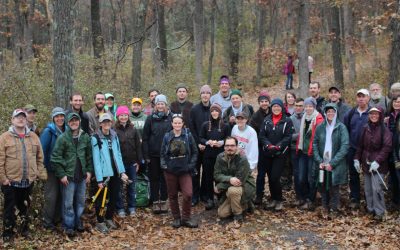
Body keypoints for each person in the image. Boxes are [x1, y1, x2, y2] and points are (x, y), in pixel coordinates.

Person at [0, 109, 47, 242]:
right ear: (12, 120)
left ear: (26, 120)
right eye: (17, 117)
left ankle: (24, 230)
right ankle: (8, 233)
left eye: (23, 117)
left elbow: (40, 157)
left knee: (25, 207)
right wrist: (3, 179)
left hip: (28, 181)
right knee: (10, 209)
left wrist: (36, 173)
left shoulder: (33, 136)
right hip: (11, 181)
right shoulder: (4, 137)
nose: (20, 119)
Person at [51, 113, 93, 236]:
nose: (74, 122)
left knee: (80, 201)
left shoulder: (85, 137)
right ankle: (68, 225)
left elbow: (89, 156)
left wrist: (89, 171)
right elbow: (55, 158)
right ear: (68, 123)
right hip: (68, 177)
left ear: (79, 122)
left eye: (76, 120)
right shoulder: (63, 138)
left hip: (82, 176)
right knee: (67, 203)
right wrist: (62, 174)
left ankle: (77, 222)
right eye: (71, 121)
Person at [91, 113, 129, 233]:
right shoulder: (95, 138)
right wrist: (99, 179)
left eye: (108, 121)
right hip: (104, 174)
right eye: (104, 122)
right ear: (100, 124)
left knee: (114, 197)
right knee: (101, 200)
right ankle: (100, 221)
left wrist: (122, 171)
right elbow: (96, 160)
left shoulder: (114, 136)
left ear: (111, 123)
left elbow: (118, 155)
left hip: (115, 173)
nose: (106, 124)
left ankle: (108, 218)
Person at [160, 114, 198, 228]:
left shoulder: (187, 135)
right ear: (172, 124)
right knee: (172, 195)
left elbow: (195, 152)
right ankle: (176, 218)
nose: (177, 125)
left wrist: (190, 166)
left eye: (179, 123)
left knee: (188, 194)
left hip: (185, 170)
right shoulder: (167, 136)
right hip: (170, 171)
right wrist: (165, 166)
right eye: (175, 123)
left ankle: (186, 218)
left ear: (183, 124)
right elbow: (162, 153)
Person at [354, 107, 392, 221]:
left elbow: (387, 147)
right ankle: (371, 210)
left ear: (380, 115)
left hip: (378, 167)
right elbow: (360, 146)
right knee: (368, 189)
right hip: (366, 164)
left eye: (376, 114)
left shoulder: (384, 130)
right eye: (371, 114)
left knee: (377, 189)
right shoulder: (365, 128)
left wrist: (378, 161)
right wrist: (356, 159)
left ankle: (379, 212)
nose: (373, 116)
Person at [313, 104, 349, 218]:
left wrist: (332, 163)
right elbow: (314, 143)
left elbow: (345, 146)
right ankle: (324, 207)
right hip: (323, 162)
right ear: (325, 113)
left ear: (336, 113)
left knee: (334, 186)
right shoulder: (320, 127)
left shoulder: (341, 127)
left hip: (335, 162)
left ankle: (334, 209)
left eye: (333, 112)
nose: (330, 114)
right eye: (328, 112)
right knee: (323, 185)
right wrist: (319, 160)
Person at [259, 98, 293, 211]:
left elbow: (288, 137)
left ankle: (279, 200)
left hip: (280, 153)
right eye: (274, 106)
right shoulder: (266, 120)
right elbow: (262, 136)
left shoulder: (287, 121)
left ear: (282, 108)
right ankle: (273, 199)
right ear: (271, 108)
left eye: (278, 106)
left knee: (275, 177)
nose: (276, 108)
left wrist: (278, 146)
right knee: (270, 177)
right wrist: (268, 145)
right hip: (267, 153)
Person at [214, 137, 256, 222]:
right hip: (229, 186)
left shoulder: (242, 159)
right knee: (222, 213)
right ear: (224, 147)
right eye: (227, 145)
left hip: (244, 185)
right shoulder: (220, 157)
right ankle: (244, 205)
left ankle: (238, 215)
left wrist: (220, 186)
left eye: (232, 145)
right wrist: (229, 179)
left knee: (232, 190)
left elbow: (239, 181)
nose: (230, 148)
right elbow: (216, 174)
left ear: (237, 146)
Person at [142, 94, 172, 213]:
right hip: (153, 154)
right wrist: (146, 155)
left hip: (166, 154)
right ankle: (155, 201)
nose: (160, 106)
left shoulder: (170, 118)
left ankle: (164, 200)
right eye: (158, 104)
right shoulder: (150, 119)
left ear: (165, 105)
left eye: (162, 104)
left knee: (165, 178)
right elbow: (145, 138)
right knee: (154, 178)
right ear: (155, 105)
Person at [199, 103, 230, 210]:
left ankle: (221, 198)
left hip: (221, 156)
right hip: (208, 156)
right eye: (212, 111)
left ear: (220, 112)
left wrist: (221, 143)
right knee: (208, 177)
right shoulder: (205, 125)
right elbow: (201, 138)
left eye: (216, 111)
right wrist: (208, 142)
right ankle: (210, 199)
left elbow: (228, 138)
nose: (214, 113)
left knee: (219, 177)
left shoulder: (225, 126)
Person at [344, 88, 371, 209]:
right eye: (359, 96)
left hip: (368, 150)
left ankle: (368, 198)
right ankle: (355, 198)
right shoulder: (351, 113)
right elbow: (345, 129)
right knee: (353, 174)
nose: (361, 98)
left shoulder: (372, 113)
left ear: (368, 98)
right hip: (353, 148)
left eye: (363, 96)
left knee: (368, 174)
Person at [295, 97, 324, 209]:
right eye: (306, 106)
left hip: (312, 153)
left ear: (314, 107)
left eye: (310, 106)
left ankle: (310, 200)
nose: (308, 108)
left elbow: (318, 138)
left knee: (311, 178)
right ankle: (305, 197)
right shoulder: (304, 117)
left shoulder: (318, 119)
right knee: (301, 177)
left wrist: (314, 150)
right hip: (303, 151)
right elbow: (301, 135)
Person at [114, 106, 143, 217]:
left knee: (132, 186)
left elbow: (138, 146)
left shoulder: (133, 129)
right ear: (118, 116)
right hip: (119, 164)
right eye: (121, 115)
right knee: (119, 187)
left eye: (125, 115)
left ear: (128, 116)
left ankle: (131, 207)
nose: (123, 117)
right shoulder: (114, 131)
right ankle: (120, 207)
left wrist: (138, 161)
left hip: (132, 163)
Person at [41, 107, 66, 230]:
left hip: (63, 170)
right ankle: (47, 223)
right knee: (51, 196)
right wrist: (43, 167)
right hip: (51, 170)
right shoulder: (48, 131)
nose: (60, 118)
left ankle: (57, 220)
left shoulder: (67, 130)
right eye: (57, 116)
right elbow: (42, 151)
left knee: (61, 196)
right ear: (53, 118)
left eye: (61, 116)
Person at [189, 84, 212, 206]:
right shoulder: (194, 109)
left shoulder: (213, 109)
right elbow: (191, 128)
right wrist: (198, 143)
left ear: (210, 95)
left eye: (207, 93)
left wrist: (207, 143)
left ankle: (205, 195)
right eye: (203, 93)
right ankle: (194, 196)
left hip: (209, 146)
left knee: (207, 172)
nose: (205, 95)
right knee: (195, 171)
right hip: (196, 146)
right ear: (200, 95)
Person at [385, 95, 400, 210]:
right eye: (395, 101)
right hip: (389, 152)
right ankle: (395, 202)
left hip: (398, 152)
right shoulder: (388, 116)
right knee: (393, 178)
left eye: (399, 101)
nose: (397, 103)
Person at [290, 98, 305, 206]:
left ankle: (307, 196)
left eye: (300, 105)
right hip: (294, 149)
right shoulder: (290, 119)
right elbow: (289, 136)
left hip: (305, 149)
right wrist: (301, 135)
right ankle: (299, 196)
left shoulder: (307, 118)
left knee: (305, 173)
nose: (298, 107)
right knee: (296, 173)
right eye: (296, 105)